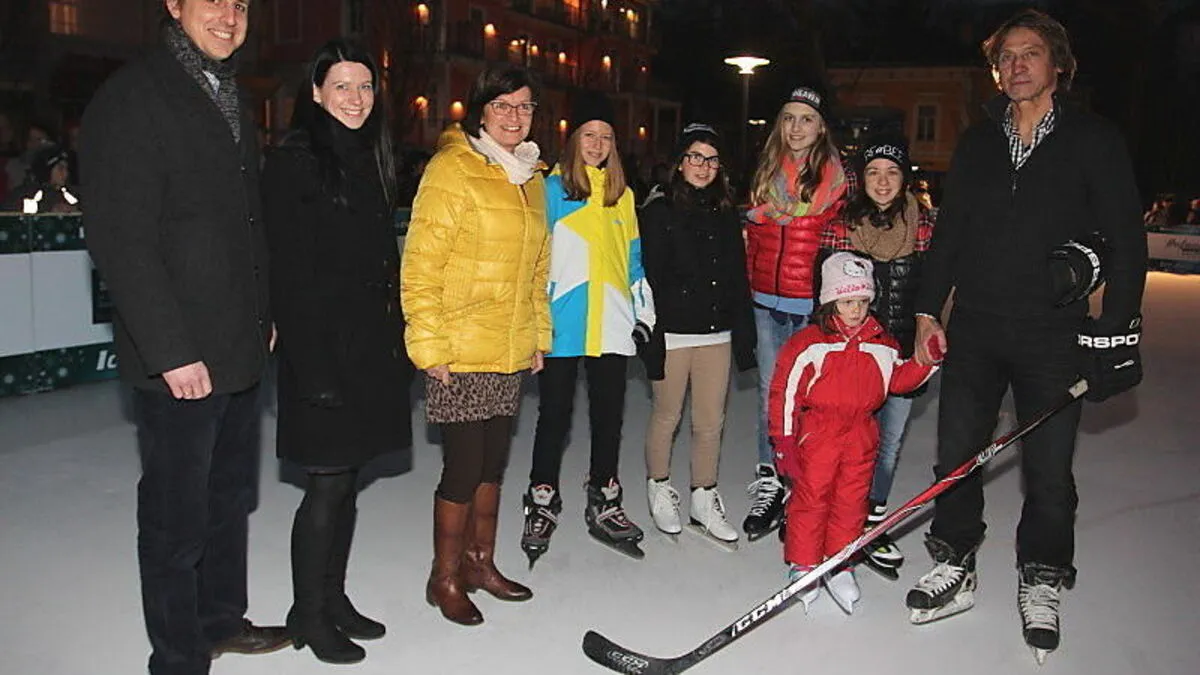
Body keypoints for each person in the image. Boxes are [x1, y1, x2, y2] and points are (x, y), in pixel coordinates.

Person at [905, 10, 1147, 663]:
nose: (1016, 65)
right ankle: (956, 558)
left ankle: (1041, 572)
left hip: (1052, 334)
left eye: (1030, 53)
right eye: (1006, 55)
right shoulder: (977, 142)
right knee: (956, 454)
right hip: (978, 326)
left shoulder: (1094, 140)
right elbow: (949, 233)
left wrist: (1116, 327)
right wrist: (929, 311)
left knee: (1048, 471)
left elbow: (1127, 240)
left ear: (1058, 67)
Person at [79, 1, 289, 673]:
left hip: (238, 342)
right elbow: (119, 236)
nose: (229, 15)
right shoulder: (133, 96)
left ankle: (220, 619)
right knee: (176, 518)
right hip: (180, 357)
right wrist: (170, 349)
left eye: (241, 4)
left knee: (228, 498)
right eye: (213, 0)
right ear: (174, 5)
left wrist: (266, 311)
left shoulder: (227, 91)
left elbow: (244, 217)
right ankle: (177, 655)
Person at [262, 39, 413, 664]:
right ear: (317, 92)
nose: (356, 99)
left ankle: (333, 597)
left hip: (368, 347)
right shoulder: (296, 159)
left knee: (348, 482)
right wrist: (312, 366)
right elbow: (289, 273)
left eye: (366, 87)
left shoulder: (370, 156)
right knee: (325, 487)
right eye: (343, 87)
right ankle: (308, 614)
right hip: (320, 350)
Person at [401, 63, 547, 626]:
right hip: (459, 349)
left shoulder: (529, 176)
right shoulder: (452, 169)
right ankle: (444, 577)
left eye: (525, 106)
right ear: (481, 110)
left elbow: (537, 269)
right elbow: (420, 264)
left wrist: (536, 334)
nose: (515, 116)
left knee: (492, 465)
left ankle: (480, 563)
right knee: (463, 469)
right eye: (503, 105)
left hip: (507, 348)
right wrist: (429, 344)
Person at [520, 91, 656, 565]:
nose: (597, 144)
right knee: (554, 416)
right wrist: (535, 323)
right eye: (589, 135)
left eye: (606, 137)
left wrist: (643, 315)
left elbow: (634, 259)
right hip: (563, 322)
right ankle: (541, 497)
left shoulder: (624, 196)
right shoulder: (552, 189)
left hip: (612, 325)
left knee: (608, 418)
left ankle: (605, 494)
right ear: (574, 138)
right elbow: (536, 261)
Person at [769, 252, 935, 614]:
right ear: (830, 302)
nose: (857, 310)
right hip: (819, 434)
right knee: (811, 500)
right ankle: (804, 564)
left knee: (851, 503)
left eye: (862, 301)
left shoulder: (882, 344)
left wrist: (927, 362)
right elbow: (785, 393)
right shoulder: (809, 345)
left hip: (861, 435)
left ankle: (839, 561)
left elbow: (901, 380)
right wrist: (783, 442)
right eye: (847, 302)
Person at [742, 85, 856, 541]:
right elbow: (753, 234)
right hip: (766, 299)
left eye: (805, 119)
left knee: (811, 398)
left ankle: (806, 485)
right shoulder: (767, 171)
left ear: (821, 126)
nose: (795, 127)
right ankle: (770, 478)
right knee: (772, 395)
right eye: (788, 118)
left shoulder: (836, 179)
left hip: (810, 304)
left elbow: (839, 240)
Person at [819, 139, 936, 576]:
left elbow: (934, 287)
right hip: (853, 355)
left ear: (905, 177)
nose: (883, 181)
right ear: (861, 179)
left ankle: (869, 520)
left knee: (886, 444)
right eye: (873, 172)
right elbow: (828, 297)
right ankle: (829, 513)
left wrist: (931, 335)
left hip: (900, 355)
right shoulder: (841, 223)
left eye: (892, 171)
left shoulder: (923, 223)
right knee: (841, 437)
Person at [638, 123, 755, 550]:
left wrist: (742, 333)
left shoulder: (725, 211)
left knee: (710, 422)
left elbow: (737, 275)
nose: (703, 166)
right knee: (666, 416)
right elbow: (647, 278)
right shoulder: (658, 210)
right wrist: (650, 333)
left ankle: (703, 497)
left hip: (715, 332)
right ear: (680, 162)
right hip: (672, 332)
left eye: (711, 159)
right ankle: (659, 486)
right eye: (695, 157)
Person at [0, 143, 80, 213]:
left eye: (67, 168)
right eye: (60, 168)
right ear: (46, 170)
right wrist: (48, 214)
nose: (65, 173)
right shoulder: (23, 195)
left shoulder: (73, 194)